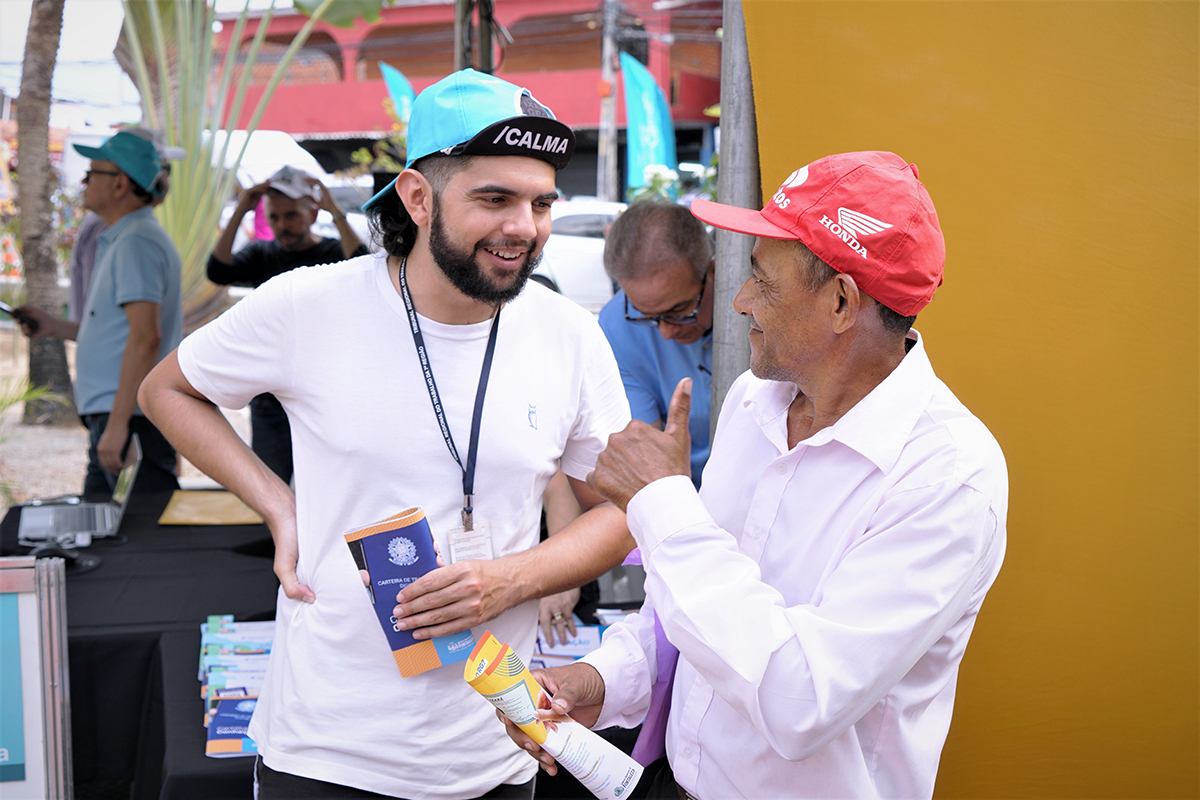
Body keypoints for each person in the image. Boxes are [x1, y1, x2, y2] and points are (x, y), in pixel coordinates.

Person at [139, 68, 634, 799]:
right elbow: (166, 390)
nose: (523, 227)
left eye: (539, 203)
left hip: (494, 756)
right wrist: (279, 506)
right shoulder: (312, 304)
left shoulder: (572, 335)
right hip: (326, 752)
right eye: (494, 199)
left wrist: (510, 578)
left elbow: (626, 510)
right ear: (416, 197)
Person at [504, 151, 1009, 799]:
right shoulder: (754, 402)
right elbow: (682, 613)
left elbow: (800, 701)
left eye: (762, 279)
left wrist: (662, 504)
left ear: (840, 301)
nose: (740, 301)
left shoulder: (946, 477)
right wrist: (600, 679)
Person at [18, 131, 183, 497]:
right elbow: (118, 332)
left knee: (140, 535)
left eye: (92, 173)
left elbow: (145, 337)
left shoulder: (136, 241)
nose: (83, 182)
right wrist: (54, 326)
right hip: (121, 413)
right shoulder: (125, 238)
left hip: (129, 415)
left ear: (121, 184)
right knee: (105, 531)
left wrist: (119, 422)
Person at [207, 165, 370, 483]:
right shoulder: (260, 254)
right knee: (271, 485)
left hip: (326, 393)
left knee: (330, 486)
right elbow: (217, 271)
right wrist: (242, 208)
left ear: (311, 214)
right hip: (271, 394)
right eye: (275, 218)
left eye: (292, 215)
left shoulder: (332, 252)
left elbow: (365, 267)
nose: (283, 226)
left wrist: (335, 211)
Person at [598, 201, 714, 488]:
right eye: (647, 316)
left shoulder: (763, 308)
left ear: (713, 272)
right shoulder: (616, 325)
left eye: (680, 311)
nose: (665, 333)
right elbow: (647, 454)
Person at [68, 127, 185, 322]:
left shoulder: (136, 238)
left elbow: (143, 338)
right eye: (160, 169)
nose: (163, 179)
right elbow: (98, 316)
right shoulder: (111, 228)